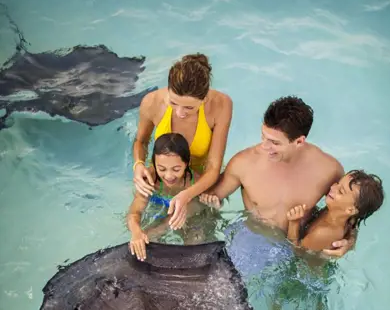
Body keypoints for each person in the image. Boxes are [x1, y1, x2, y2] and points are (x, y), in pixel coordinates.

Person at [199, 96, 353, 257]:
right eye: (263, 136)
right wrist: (210, 205)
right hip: (253, 241)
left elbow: (349, 212)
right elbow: (207, 198)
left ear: (299, 142)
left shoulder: (329, 170)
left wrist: (349, 242)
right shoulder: (244, 163)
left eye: (275, 142)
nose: (265, 147)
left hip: (300, 245)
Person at [132, 53, 232, 230]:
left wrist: (187, 195)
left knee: (197, 239)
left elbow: (213, 168)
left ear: (205, 99)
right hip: (162, 179)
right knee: (148, 232)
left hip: (200, 185)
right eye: (174, 103)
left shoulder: (221, 105)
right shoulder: (151, 102)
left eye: (189, 107)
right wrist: (138, 164)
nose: (180, 112)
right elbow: (141, 142)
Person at [128, 133, 199, 261]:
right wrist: (136, 231)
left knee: (195, 240)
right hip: (158, 211)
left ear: (187, 163)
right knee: (143, 240)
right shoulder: (150, 179)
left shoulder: (194, 182)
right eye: (162, 169)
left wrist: (212, 200)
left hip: (185, 218)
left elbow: (204, 204)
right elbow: (134, 212)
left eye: (176, 169)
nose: (168, 176)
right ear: (154, 163)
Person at [286, 170, 384, 251]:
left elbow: (296, 251)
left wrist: (294, 223)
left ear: (350, 210)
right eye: (337, 183)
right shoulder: (347, 218)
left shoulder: (323, 233)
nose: (333, 187)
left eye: (341, 191)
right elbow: (353, 228)